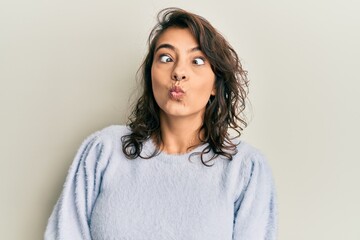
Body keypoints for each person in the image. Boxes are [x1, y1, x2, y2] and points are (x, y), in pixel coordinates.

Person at [45, 7, 277, 240]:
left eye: (197, 61)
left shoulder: (245, 168)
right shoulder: (103, 151)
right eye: (166, 58)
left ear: (216, 84)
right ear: (150, 74)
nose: (178, 72)